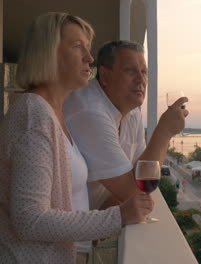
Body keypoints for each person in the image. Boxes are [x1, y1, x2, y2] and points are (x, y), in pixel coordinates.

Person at [0, 12, 153, 263]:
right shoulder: (33, 113)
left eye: (88, 48)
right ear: (48, 53)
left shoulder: (53, 111)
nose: (89, 58)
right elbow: (30, 220)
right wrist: (118, 217)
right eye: (77, 46)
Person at [64, 40, 188, 210]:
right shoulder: (90, 111)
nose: (140, 79)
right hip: (70, 230)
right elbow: (134, 192)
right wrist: (164, 132)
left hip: (97, 221)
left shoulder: (131, 112)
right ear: (106, 76)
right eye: (130, 71)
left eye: (144, 72)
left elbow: (141, 172)